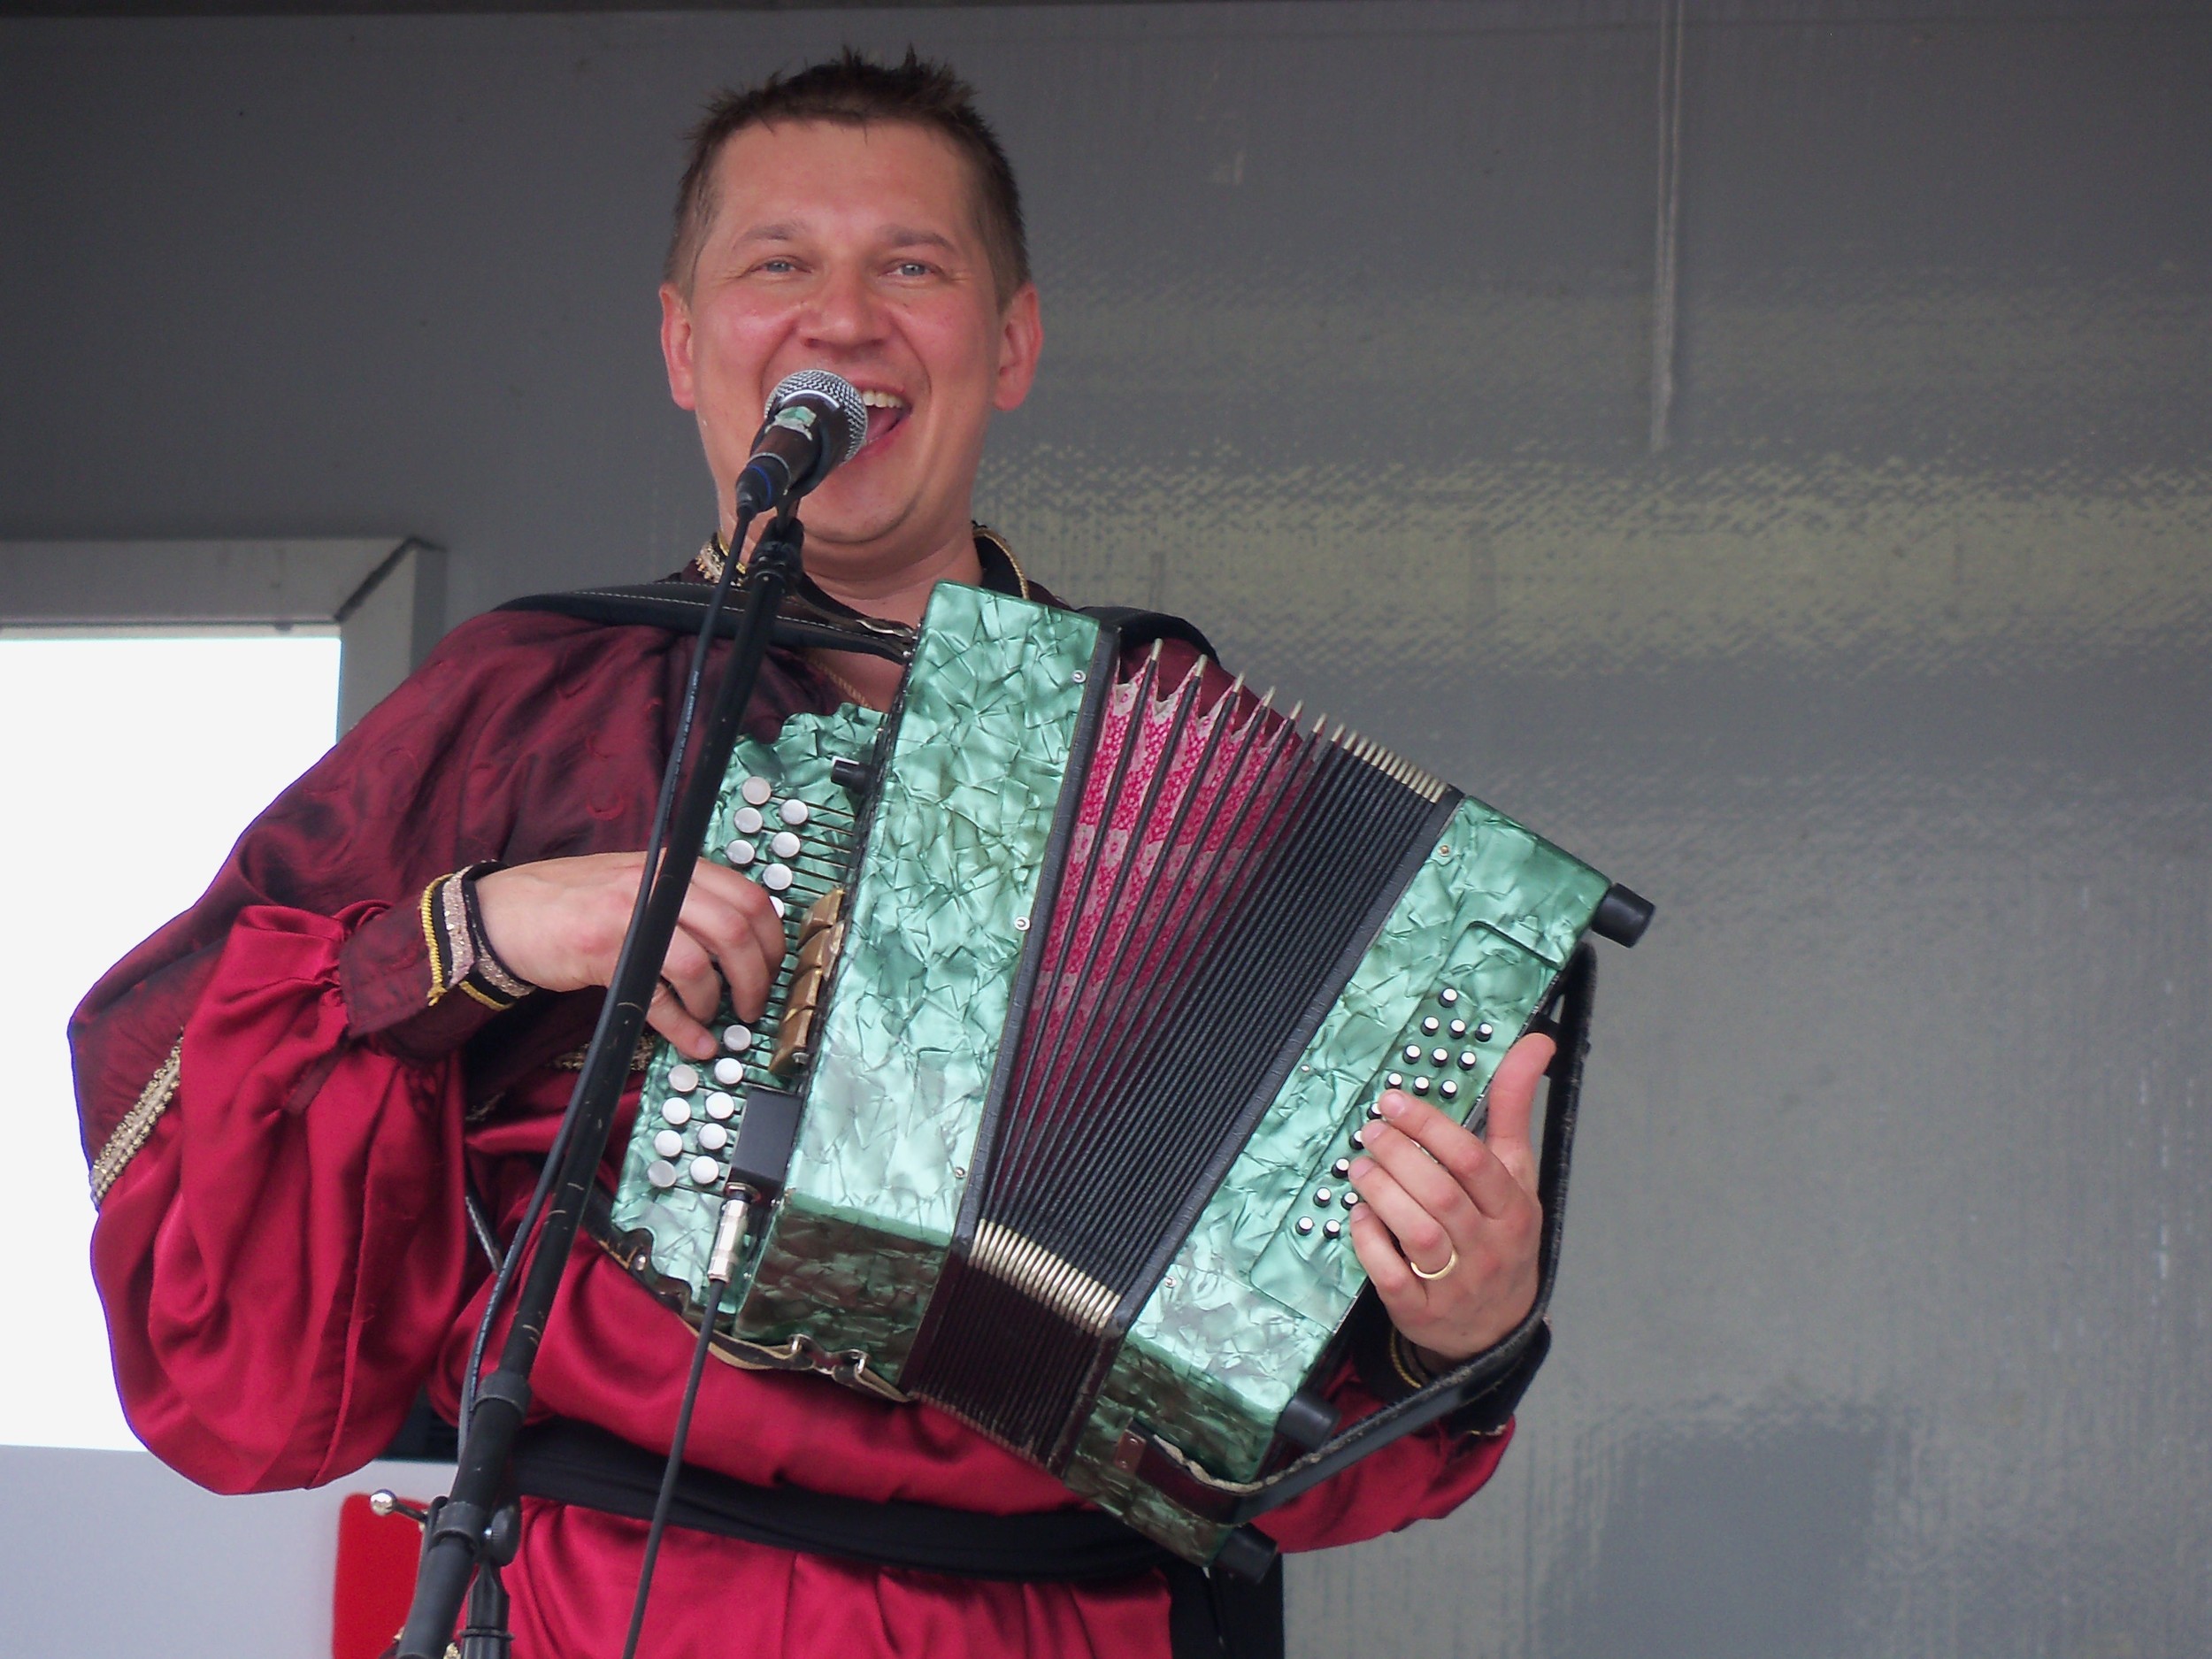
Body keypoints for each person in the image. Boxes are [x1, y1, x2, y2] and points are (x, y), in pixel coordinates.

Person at [73, 51, 1555, 1658]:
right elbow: (181, 1074)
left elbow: (1291, 1430)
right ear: (679, 341)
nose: (841, 322)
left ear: (1013, 343)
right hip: (609, 1605)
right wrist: (475, 932)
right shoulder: (519, 705)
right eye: (779, 264)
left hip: (1063, 1622)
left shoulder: (1190, 772)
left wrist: (1440, 1343)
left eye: (909, 268)